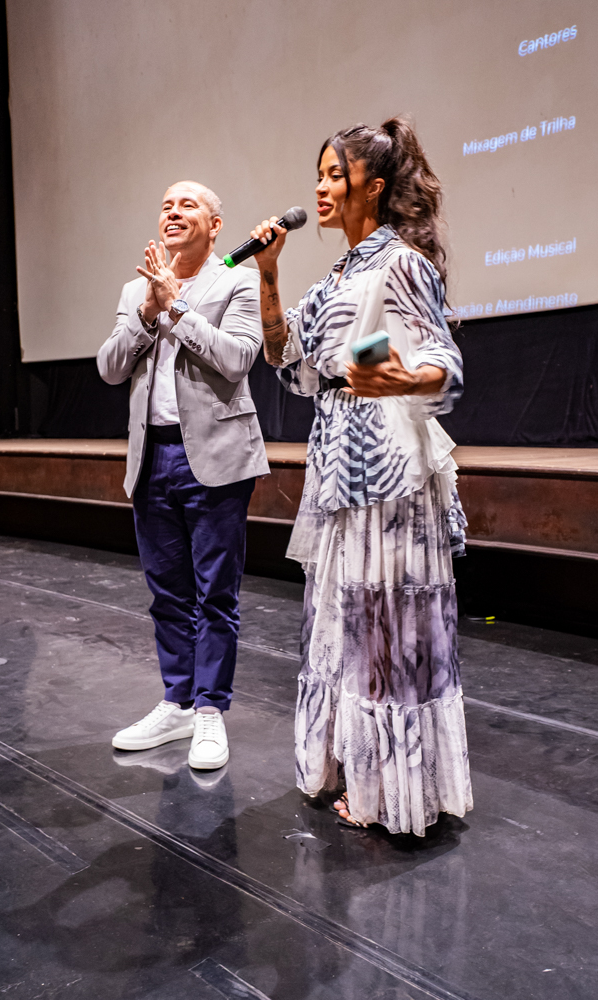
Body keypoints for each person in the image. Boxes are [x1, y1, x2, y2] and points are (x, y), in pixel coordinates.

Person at [250, 119, 473, 835]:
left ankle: (396, 790)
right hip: (339, 467)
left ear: (371, 188)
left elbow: (444, 362)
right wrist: (268, 275)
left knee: (386, 628)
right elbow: (286, 361)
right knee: (347, 623)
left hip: (391, 472)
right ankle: (358, 767)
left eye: (334, 175)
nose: (320, 187)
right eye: (318, 174)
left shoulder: (400, 264)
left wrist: (403, 378)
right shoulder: (334, 279)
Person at [97, 180, 269, 769]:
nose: (173, 212)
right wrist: (147, 313)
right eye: (166, 205)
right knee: (167, 593)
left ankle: (210, 711)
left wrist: (176, 306)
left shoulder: (238, 280)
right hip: (153, 458)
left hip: (217, 457)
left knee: (215, 593)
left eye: (187, 204)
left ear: (215, 225)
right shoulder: (136, 289)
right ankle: (177, 702)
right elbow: (109, 368)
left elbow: (237, 358)